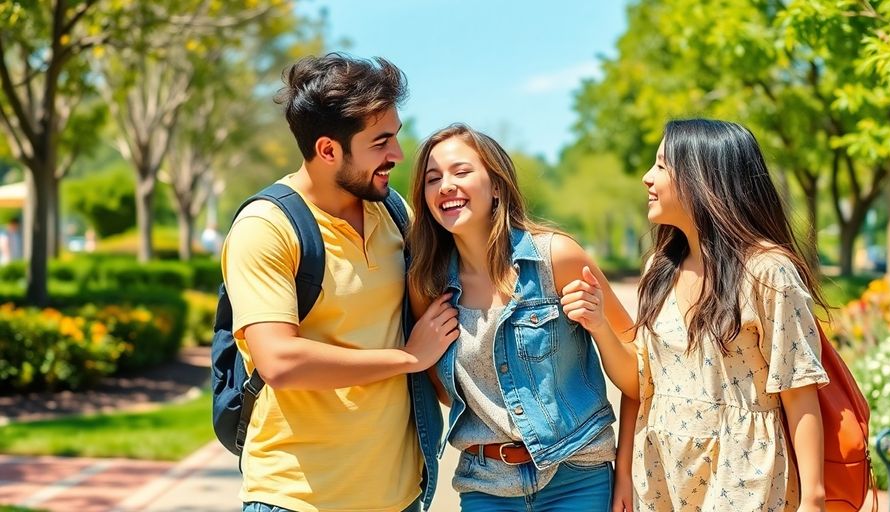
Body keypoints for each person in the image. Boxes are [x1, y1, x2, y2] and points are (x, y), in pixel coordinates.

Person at [221, 53, 452, 512]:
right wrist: (406, 358)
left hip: (400, 496)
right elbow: (279, 360)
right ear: (328, 150)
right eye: (381, 142)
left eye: (396, 137)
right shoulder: (267, 227)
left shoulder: (394, 213)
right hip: (296, 499)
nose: (397, 156)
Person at [406, 123, 641, 512]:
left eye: (461, 172)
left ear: (496, 185)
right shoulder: (428, 286)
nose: (445, 185)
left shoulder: (557, 258)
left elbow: (638, 372)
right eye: (433, 179)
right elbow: (448, 393)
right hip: (485, 488)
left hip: (577, 479)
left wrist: (626, 472)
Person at [629, 119, 830, 512]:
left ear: (704, 179)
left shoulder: (768, 272)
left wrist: (813, 500)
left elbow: (798, 389)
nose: (646, 178)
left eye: (662, 166)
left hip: (743, 474)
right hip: (664, 472)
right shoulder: (660, 268)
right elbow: (641, 382)